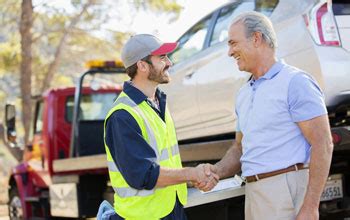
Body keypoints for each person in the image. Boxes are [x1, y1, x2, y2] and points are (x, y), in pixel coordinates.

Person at [199, 12, 333, 220]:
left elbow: (323, 143)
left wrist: (310, 207)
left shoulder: (295, 82)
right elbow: (240, 148)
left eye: (233, 43)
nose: (229, 52)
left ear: (256, 38)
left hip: (286, 191)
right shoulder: (243, 93)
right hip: (253, 193)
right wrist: (215, 171)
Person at [102, 34, 219, 220]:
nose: (170, 63)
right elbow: (144, 175)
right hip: (143, 216)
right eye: (162, 57)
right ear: (142, 66)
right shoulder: (122, 115)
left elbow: (166, 160)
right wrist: (192, 173)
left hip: (171, 209)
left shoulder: (158, 103)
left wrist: (191, 179)